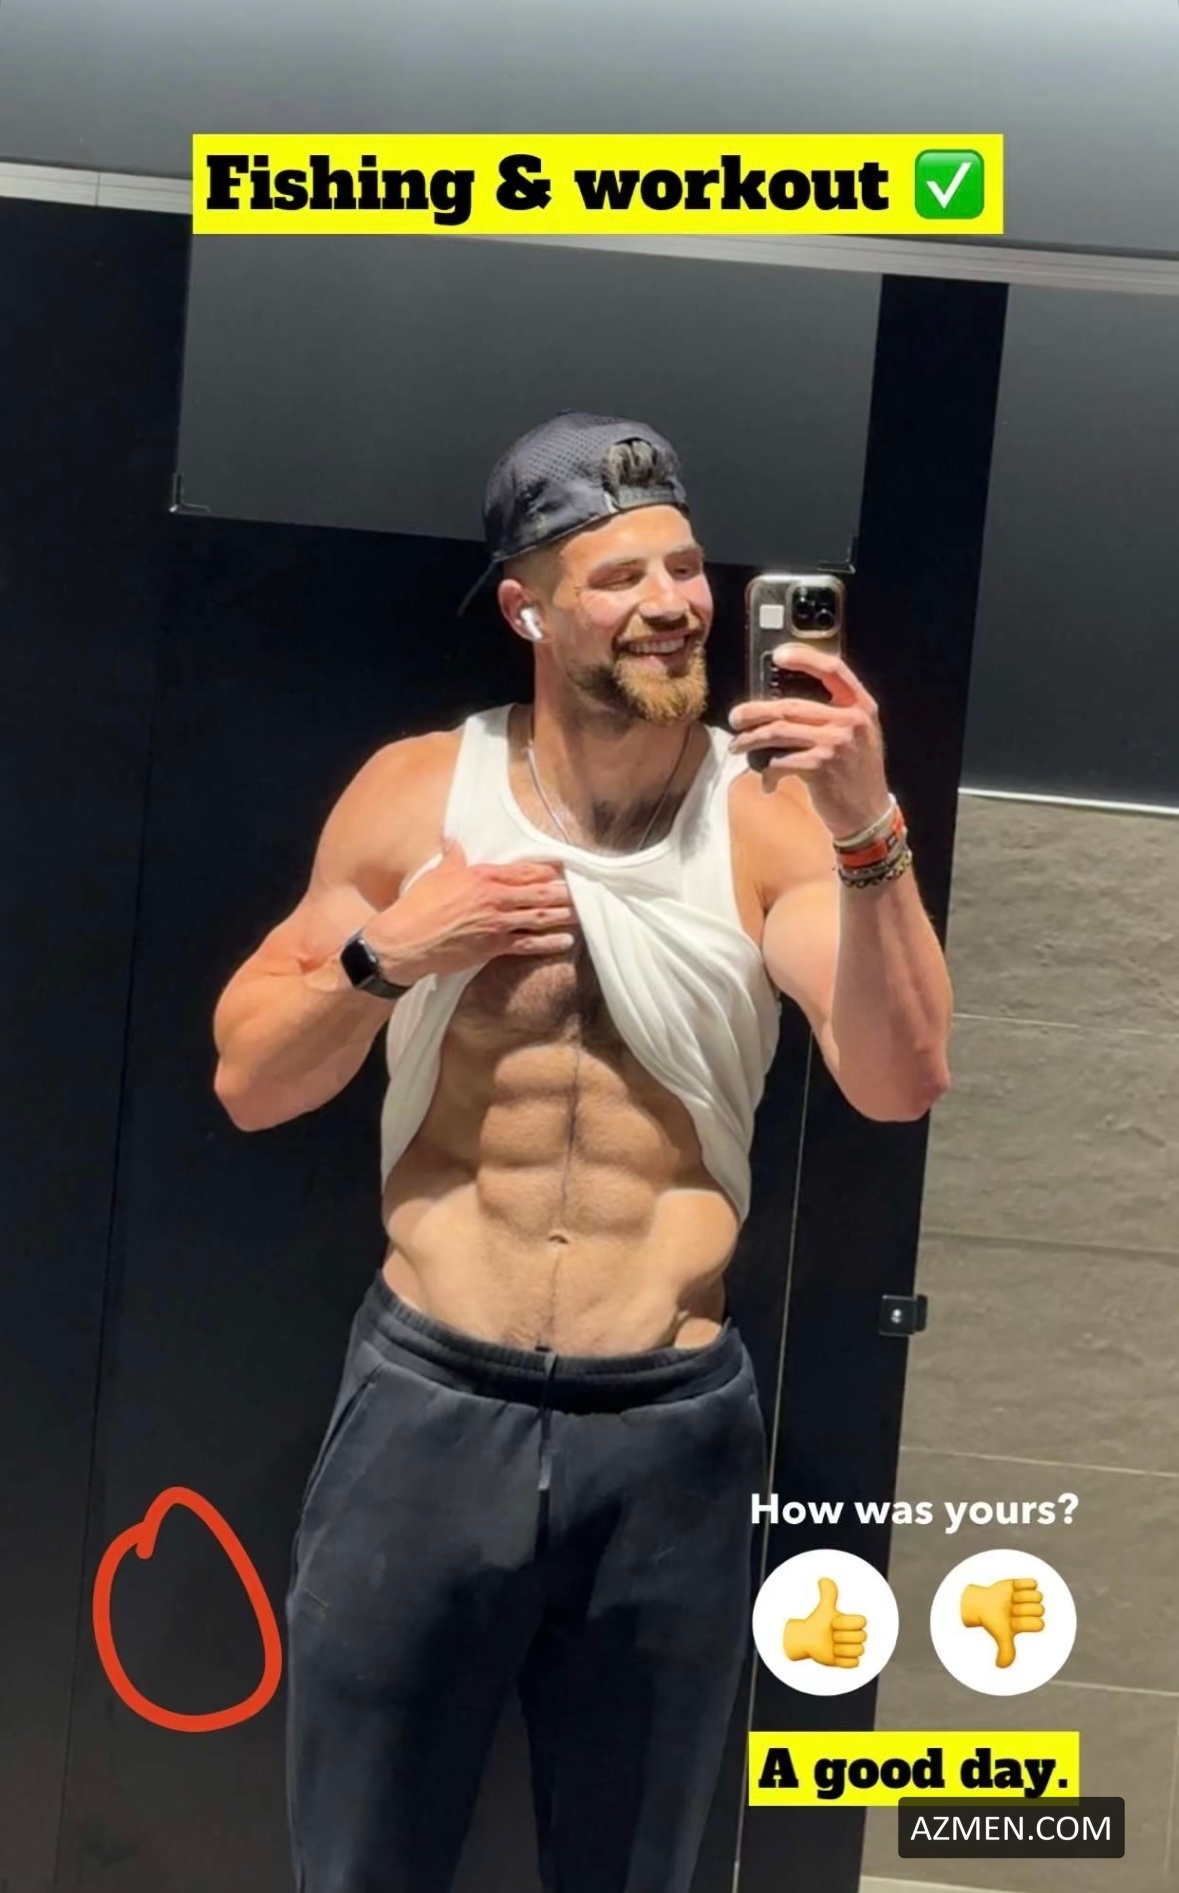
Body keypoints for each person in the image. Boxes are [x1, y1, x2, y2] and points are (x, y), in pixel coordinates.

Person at [212, 412, 954, 1893]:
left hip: (666, 1433)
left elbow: (898, 1078)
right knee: (360, 1863)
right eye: (619, 577)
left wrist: (869, 828)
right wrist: (390, 952)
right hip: (429, 1407)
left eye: (684, 567)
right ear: (528, 609)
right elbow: (250, 1082)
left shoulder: (766, 824)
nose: (672, 603)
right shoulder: (421, 796)